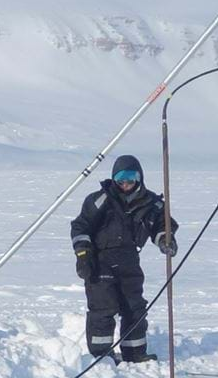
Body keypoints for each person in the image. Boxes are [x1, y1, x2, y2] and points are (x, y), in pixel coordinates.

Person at [70, 155, 179, 363]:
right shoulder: (100, 199)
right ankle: (101, 357)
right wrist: (83, 255)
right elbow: (80, 227)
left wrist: (166, 239)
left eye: (131, 178)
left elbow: (162, 225)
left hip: (129, 260)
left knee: (134, 307)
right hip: (100, 260)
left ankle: (135, 353)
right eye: (121, 179)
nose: (126, 183)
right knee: (103, 308)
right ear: (114, 179)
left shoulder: (152, 203)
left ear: (139, 177)